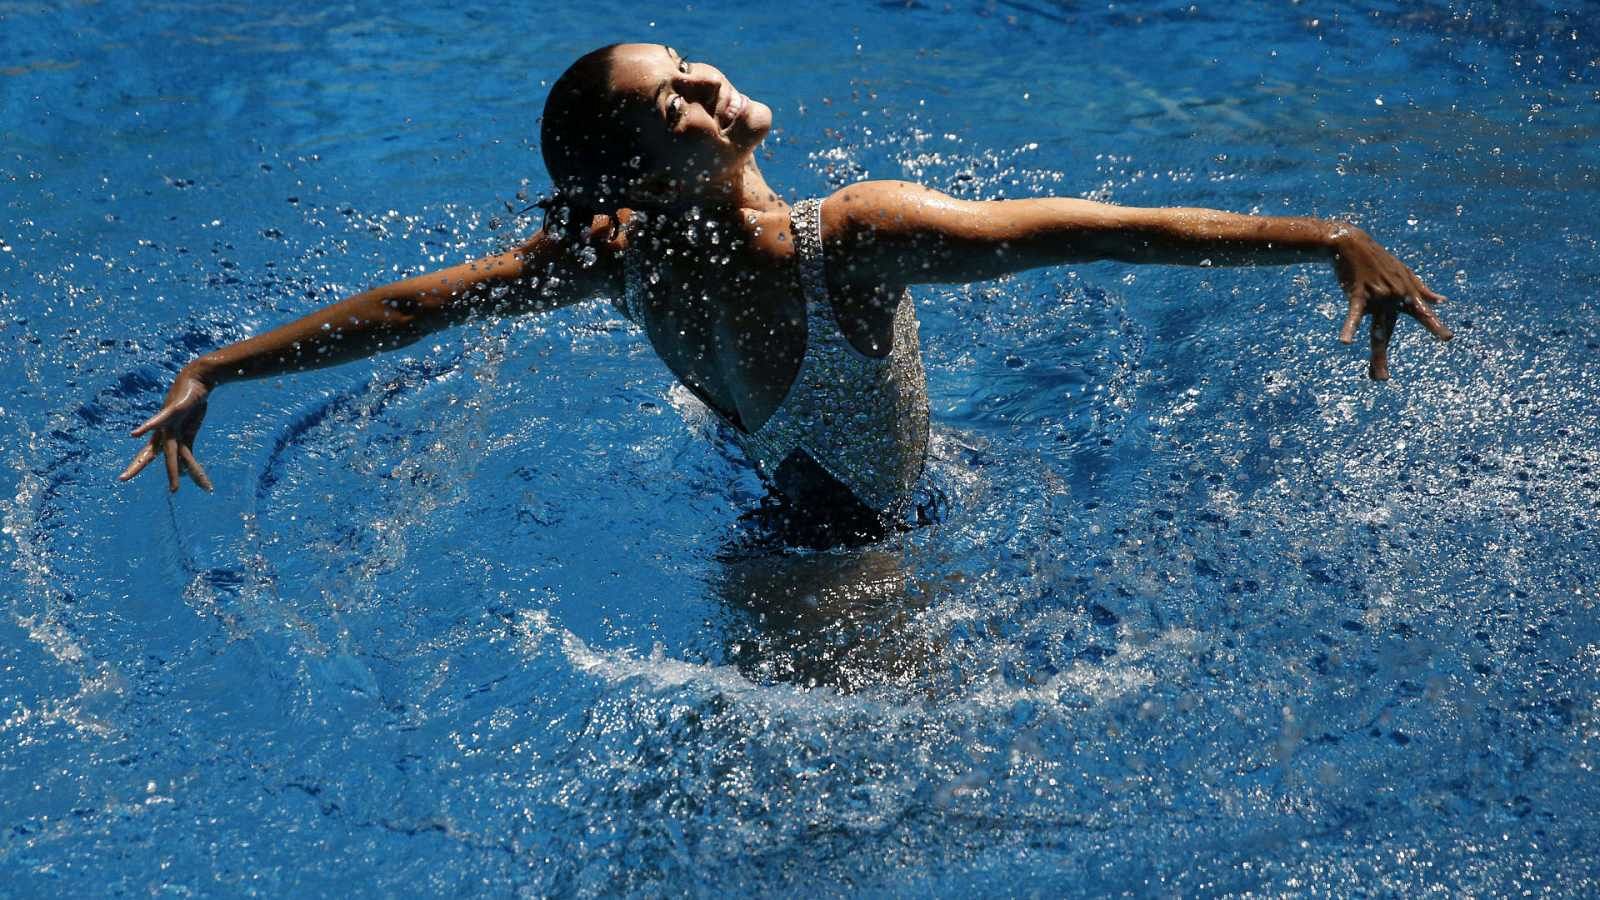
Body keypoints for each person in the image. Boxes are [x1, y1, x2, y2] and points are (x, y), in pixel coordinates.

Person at [120, 42, 1452, 541]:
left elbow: (420, 309)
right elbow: (1103, 232)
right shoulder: (853, 237)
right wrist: (1320, 236)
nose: (704, 86)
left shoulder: (616, 249)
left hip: (771, 478)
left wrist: (220, 373)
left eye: (688, 65)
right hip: (842, 572)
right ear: (642, 173)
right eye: (671, 107)